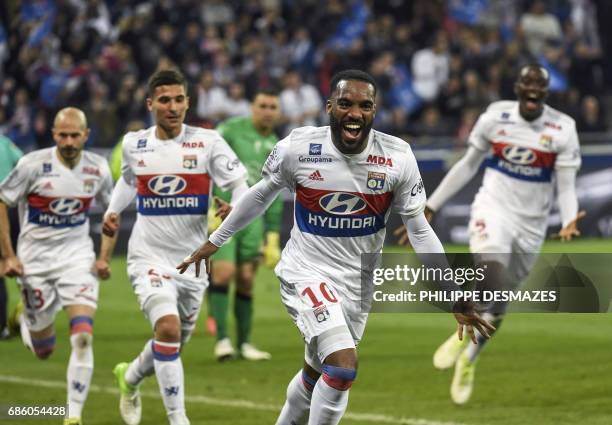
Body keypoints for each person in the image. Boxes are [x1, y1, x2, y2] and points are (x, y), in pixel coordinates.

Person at [177, 69, 493, 425]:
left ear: (374, 111)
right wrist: (215, 240)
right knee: (343, 366)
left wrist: (452, 292)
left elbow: (419, 231)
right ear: (329, 106)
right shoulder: (298, 147)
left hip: (357, 284)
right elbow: (262, 193)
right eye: (345, 104)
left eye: (364, 106)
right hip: (306, 273)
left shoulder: (398, 157)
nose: (354, 113)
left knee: (315, 376)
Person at [404, 64, 583, 405]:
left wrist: (570, 217)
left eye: (539, 85)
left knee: (498, 305)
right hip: (493, 208)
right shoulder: (494, 118)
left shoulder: (563, 128)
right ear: (517, 86)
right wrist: (434, 203)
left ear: (546, 92)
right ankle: (464, 329)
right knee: (493, 274)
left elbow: (566, 185)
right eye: (526, 82)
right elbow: (469, 163)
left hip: (531, 225)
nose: (532, 89)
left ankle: (469, 359)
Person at [103, 69, 248, 425]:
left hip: (192, 262)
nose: (172, 107)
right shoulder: (135, 143)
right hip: (148, 256)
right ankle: (178, 419)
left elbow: (241, 185)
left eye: (179, 99)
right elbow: (128, 182)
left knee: (173, 343)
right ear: (151, 104)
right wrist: (112, 209)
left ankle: (131, 376)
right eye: (164, 100)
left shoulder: (207, 142)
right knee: (166, 329)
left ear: (188, 102)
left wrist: (234, 207)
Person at [0, 107, 115, 425]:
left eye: (74, 135)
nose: (68, 141)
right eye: (62, 135)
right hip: (34, 263)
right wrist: (8, 256)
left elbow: (112, 213)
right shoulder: (32, 165)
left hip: (77, 259)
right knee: (44, 350)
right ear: (53, 135)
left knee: (82, 336)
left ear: (85, 135)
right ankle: (26, 319)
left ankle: (73, 415)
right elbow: (2, 202)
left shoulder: (98, 168)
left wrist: (103, 256)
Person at [208, 87, 282, 361]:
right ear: (252, 107)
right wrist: (207, 205)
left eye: (272, 107)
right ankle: (222, 340)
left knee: (247, 280)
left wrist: (272, 235)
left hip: (254, 222)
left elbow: (274, 192)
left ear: (279, 112)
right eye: (262, 105)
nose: (267, 111)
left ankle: (245, 343)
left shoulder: (277, 145)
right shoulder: (230, 130)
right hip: (224, 215)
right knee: (223, 273)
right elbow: (207, 162)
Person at [0, 134, 23, 339]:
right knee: (18, 261)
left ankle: (2, 326)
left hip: (3, 208)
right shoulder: (5, 142)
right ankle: (29, 305)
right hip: (12, 210)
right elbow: (22, 161)